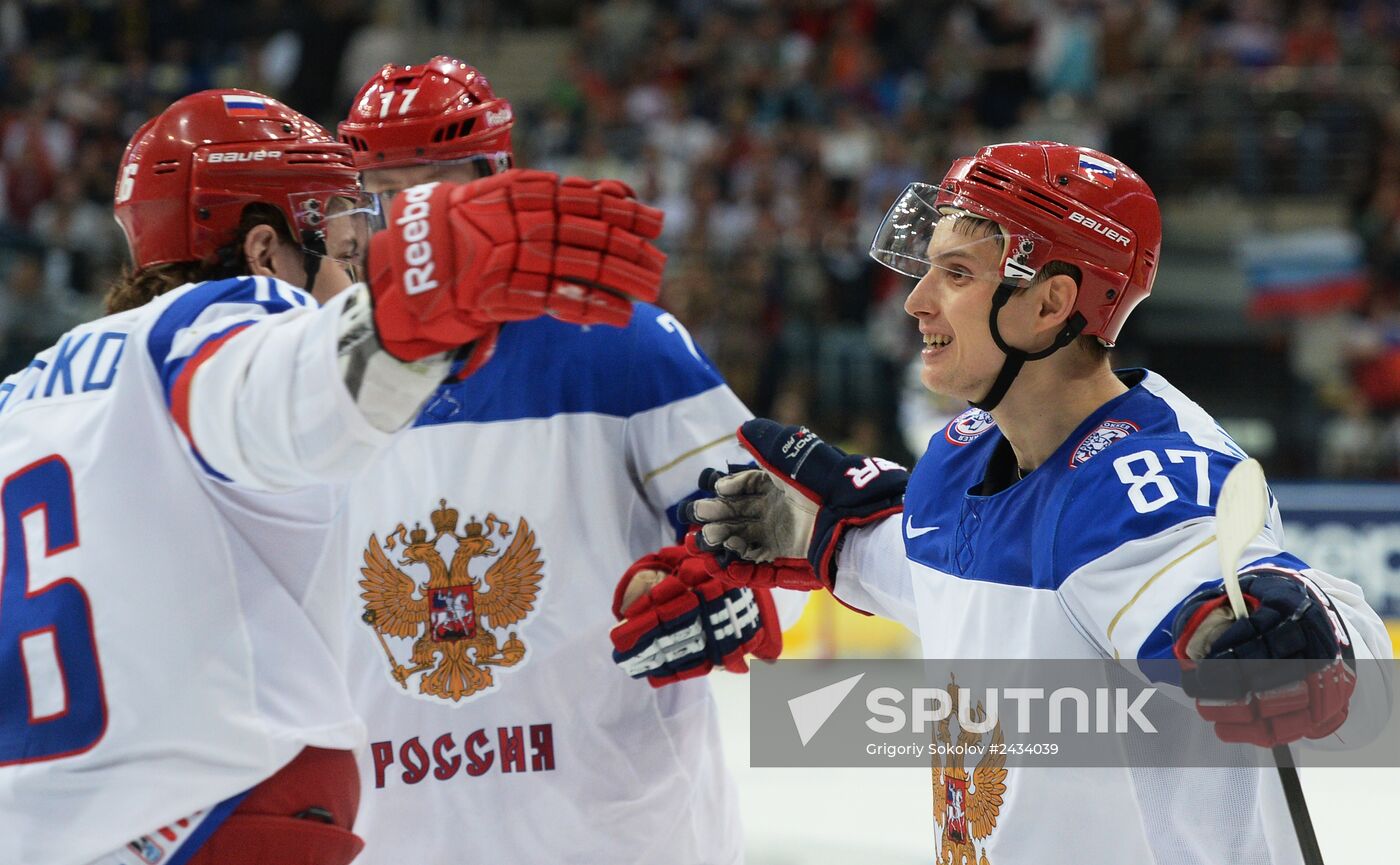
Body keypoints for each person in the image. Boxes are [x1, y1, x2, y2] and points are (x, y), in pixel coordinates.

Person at [614, 141, 1393, 863]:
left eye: (955, 274)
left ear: (1052, 304)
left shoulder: (1147, 482)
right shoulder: (964, 453)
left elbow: (1286, 630)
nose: (916, 300)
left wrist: (1303, 644)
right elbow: (948, 578)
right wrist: (827, 534)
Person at [0, 88, 666, 865]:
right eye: (347, 254)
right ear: (262, 251)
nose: (354, 276)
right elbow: (284, 392)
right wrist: (413, 312)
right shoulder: (217, 322)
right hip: (210, 815)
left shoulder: (22, 394)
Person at [328, 56, 803, 863]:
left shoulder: (618, 342)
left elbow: (785, 528)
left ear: (497, 185)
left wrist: (735, 594)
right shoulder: (315, 378)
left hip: (613, 836)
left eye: (437, 192)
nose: (415, 228)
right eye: (386, 199)